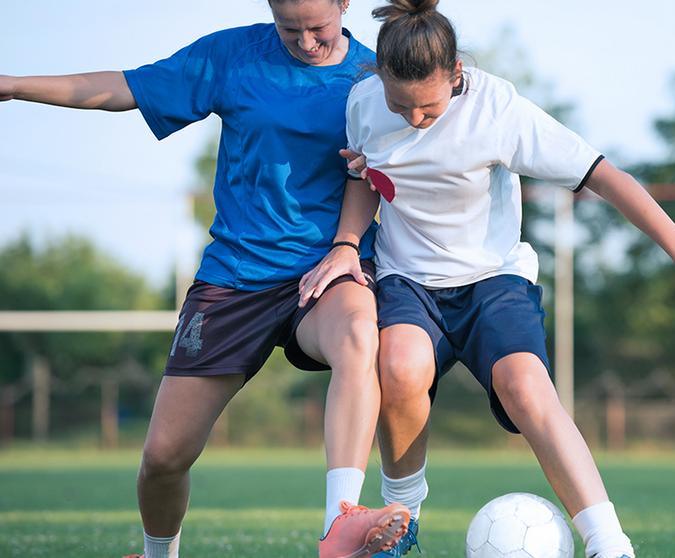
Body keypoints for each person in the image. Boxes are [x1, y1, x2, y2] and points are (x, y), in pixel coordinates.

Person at [297, 1, 675, 556]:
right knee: (399, 365)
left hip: (493, 281)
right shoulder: (364, 102)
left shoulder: (498, 108)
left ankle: (610, 544)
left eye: (429, 107)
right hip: (409, 279)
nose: (414, 119)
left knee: (526, 387)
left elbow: (604, 175)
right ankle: (403, 521)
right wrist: (345, 244)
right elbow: (365, 175)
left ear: (457, 73)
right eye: (401, 105)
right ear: (379, 78)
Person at [0, 1, 411, 557]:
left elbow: (392, 156)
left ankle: (341, 519)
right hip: (235, 280)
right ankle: (156, 553)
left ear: (344, 3)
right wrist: (14, 84)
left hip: (326, 271)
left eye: (318, 27)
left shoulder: (370, 79)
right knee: (164, 459)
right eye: (290, 29)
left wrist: (346, 246)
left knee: (361, 333)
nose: (307, 41)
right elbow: (124, 86)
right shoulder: (232, 56)